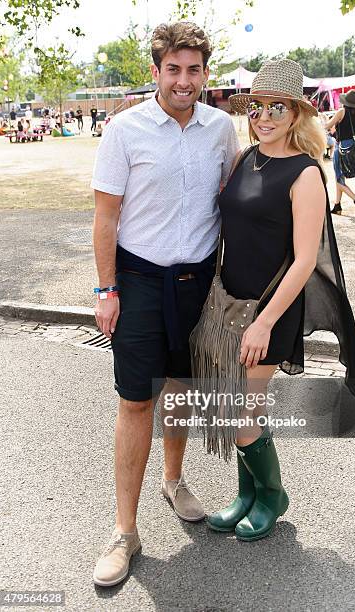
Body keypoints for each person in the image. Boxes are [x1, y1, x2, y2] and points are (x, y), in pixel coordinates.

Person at [90, 21, 239, 587]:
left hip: (198, 282)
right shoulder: (124, 130)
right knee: (135, 403)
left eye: (194, 69)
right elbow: (106, 217)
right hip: (139, 280)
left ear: (205, 72)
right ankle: (125, 532)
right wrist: (107, 290)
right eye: (173, 70)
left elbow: (230, 203)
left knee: (182, 388)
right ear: (155, 72)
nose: (184, 80)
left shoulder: (221, 129)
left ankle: (173, 482)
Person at [202, 58, 355, 542]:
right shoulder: (243, 159)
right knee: (244, 409)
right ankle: (247, 496)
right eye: (257, 107)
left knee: (237, 411)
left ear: (296, 113)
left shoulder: (306, 174)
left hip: (269, 313)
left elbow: (303, 261)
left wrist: (265, 323)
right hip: (228, 306)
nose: (265, 116)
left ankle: (272, 496)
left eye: (278, 107)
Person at [325, 89, 355, 216]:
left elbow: (327, 126)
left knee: (339, 177)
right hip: (353, 147)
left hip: (342, 146)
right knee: (339, 176)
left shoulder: (341, 111)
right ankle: (337, 206)